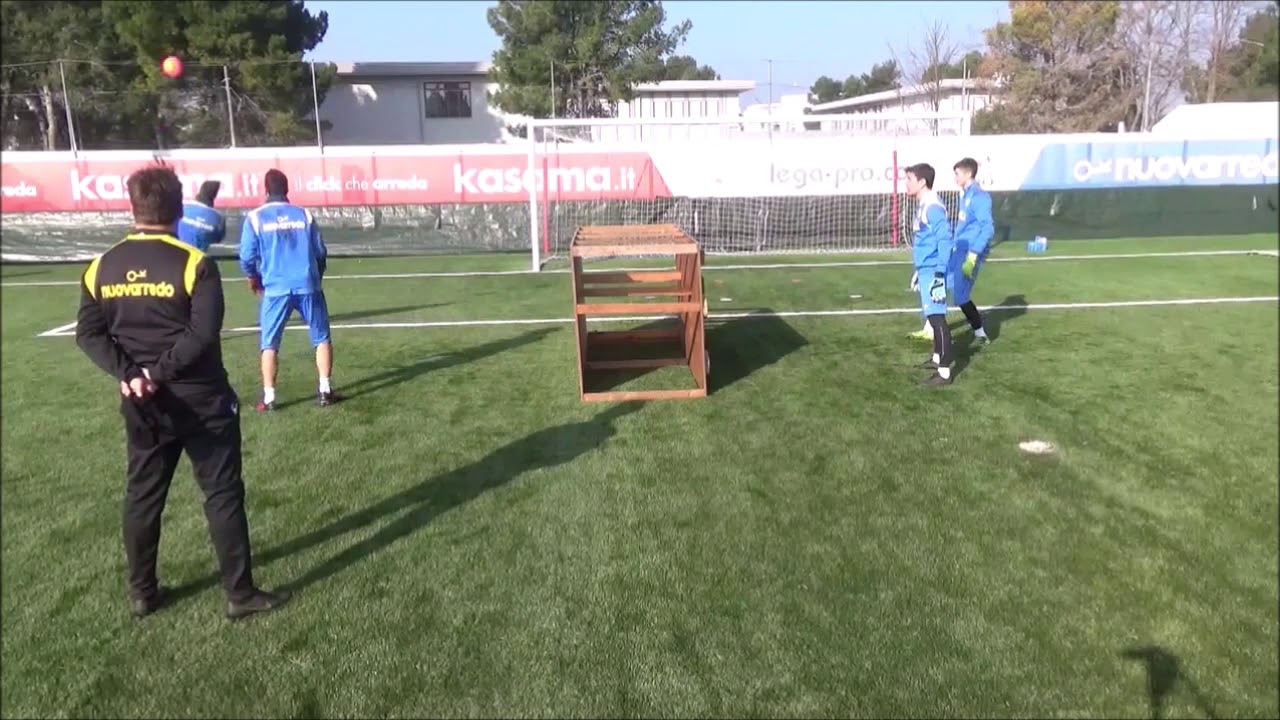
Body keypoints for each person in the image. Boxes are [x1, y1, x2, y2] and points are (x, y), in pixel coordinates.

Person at [74, 164, 290, 621]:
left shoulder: (100, 267)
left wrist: (132, 374)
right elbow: (203, 334)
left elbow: (89, 335)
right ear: (178, 209)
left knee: (142, 495)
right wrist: (155, 371)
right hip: (202, 400)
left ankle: (142, 592)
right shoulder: (195, 263)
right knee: (222, 493)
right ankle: (239, 593)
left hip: (142, 401)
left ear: (132, 207)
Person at [238, 169, 339, 411]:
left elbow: (246, 256)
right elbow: (320, 252)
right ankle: (325, 389)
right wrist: (316, 275)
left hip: (276, 288)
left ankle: (270, 397)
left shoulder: (255, 218)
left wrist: (253, 277)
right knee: (321, 337)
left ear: (265, 189)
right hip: (307, 284)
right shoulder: (304, 215)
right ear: (287, 189)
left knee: (269, 343)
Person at [904, 162, 955, 385]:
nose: (906, 184)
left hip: (934, 271)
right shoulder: (924, 204)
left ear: (922, 182)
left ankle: (944, 372)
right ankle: (936, 358)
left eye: (909, 179)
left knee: (936, 318)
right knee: (932, 317)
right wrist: (919, 269)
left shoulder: (932, 206)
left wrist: (939, 272)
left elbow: (945, 240)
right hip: (926, 269)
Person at [948, 157, 994, 344]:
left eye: (957, 174)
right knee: (939, 283)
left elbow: (988, 228)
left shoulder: (979, 197)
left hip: (969, 253)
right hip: (959, 248)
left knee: (960, 296)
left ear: (968, 174)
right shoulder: (965, 195)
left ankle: (980, 333)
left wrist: (974, 253)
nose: (955, 178)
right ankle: (931, 328)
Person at [176, 180, 227, 252]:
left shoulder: (183, 207)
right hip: (199, 257)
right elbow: (218, 239)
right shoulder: (218, 218)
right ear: (214, 195)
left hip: (176, 253)